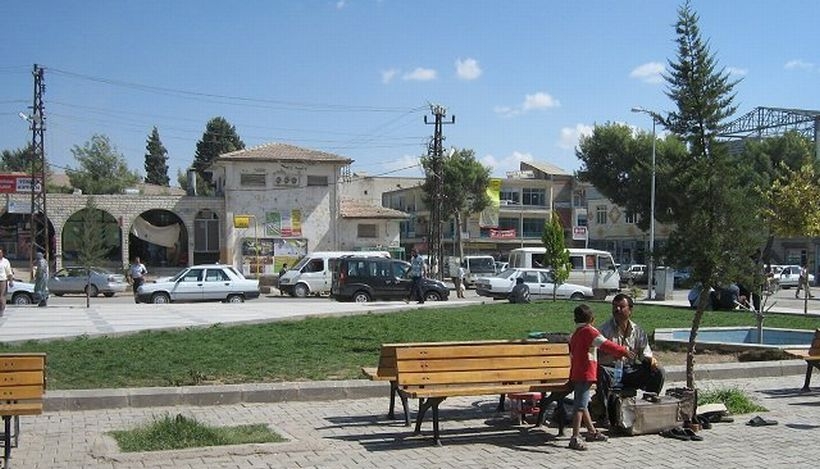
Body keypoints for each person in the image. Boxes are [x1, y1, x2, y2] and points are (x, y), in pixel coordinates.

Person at [568, 304, 633, 451]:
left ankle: (591, 432)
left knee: (582, 403)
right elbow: (605, 345)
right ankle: (575, 437)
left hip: (576, 372)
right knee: (579, 406)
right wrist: (623, 351)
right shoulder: (590, 332)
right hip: (586, 373)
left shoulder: (576, 333)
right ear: (592, 318)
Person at [595, 293, 665, 427]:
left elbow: (645, 353)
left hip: (629, 370)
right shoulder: (604, 330)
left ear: (630, 310)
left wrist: (650, 360)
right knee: (601, 371)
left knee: (658, 371)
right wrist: (612, 355)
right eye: (615, 307)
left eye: (621, 307)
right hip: (611, 370)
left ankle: (649, 406)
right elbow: (597, 356)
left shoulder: (637, 331)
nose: (617, 310)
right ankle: (606, 416)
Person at [0, 249, 12, 316]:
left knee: (2, 296)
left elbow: (9, 272)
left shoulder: (5, 261)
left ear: (2, 254)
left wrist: (11, 281)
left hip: (2, 281)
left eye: (0, 253)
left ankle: (2, 309)